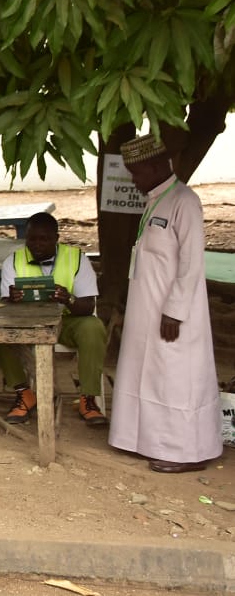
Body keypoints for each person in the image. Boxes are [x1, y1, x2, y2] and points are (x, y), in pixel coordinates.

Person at [108, 135, 222, 473]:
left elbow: (191, 263)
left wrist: (174, 309)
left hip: (174, 313)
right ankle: (149, 442)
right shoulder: (155, 200)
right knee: (149, 375)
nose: (133, 180)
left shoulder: (184, 201)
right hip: (147, 310)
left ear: (157, 167)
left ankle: (186, 453)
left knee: (177, 379)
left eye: (136, 173)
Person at [0, 213, 108, 425]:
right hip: (29, 323)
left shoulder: (77, 259)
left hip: (67, 322)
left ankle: (88, 399)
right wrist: (13, 300)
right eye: (32, 239)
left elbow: (88, 306)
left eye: (44, 239)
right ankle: (25, 394)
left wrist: (69, 299)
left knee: (93, 327)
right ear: (26, 238)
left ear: (56, 238)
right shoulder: (13, 261)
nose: (37, 245)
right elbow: (7, 310)